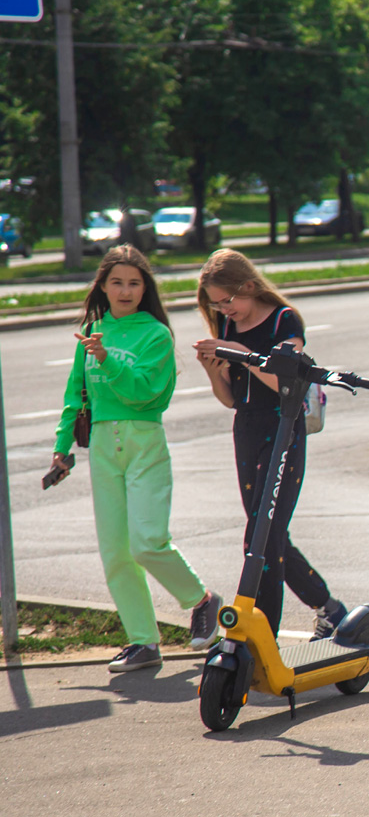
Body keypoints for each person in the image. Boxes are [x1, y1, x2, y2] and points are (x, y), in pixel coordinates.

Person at [48, 245, 222, 673]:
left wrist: (107, 359)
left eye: (134, 282)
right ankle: (143, 642)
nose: (125, 291)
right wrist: (62, 446)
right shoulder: (92, 332)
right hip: (104, 446)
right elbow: (76, 394)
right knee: (116, 553)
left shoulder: (156, 335)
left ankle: (201, 600)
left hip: (144, 441)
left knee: (147, 541)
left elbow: (145, 393)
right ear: (102, 287)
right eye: (117, 282)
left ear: (146, 289)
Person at [193, 250, 348, 642]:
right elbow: (231, 399)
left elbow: (286, 384)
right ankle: (328, 609)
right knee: (265, 534)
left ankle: (263, 634)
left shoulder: (284, 320)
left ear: (248, 286)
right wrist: (214, 375)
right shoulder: (228, 325)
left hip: (283, 430)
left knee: (261, 537)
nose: (226, 312)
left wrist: (245, 356)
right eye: (216, 306)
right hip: (246, 427)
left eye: (228, 301)